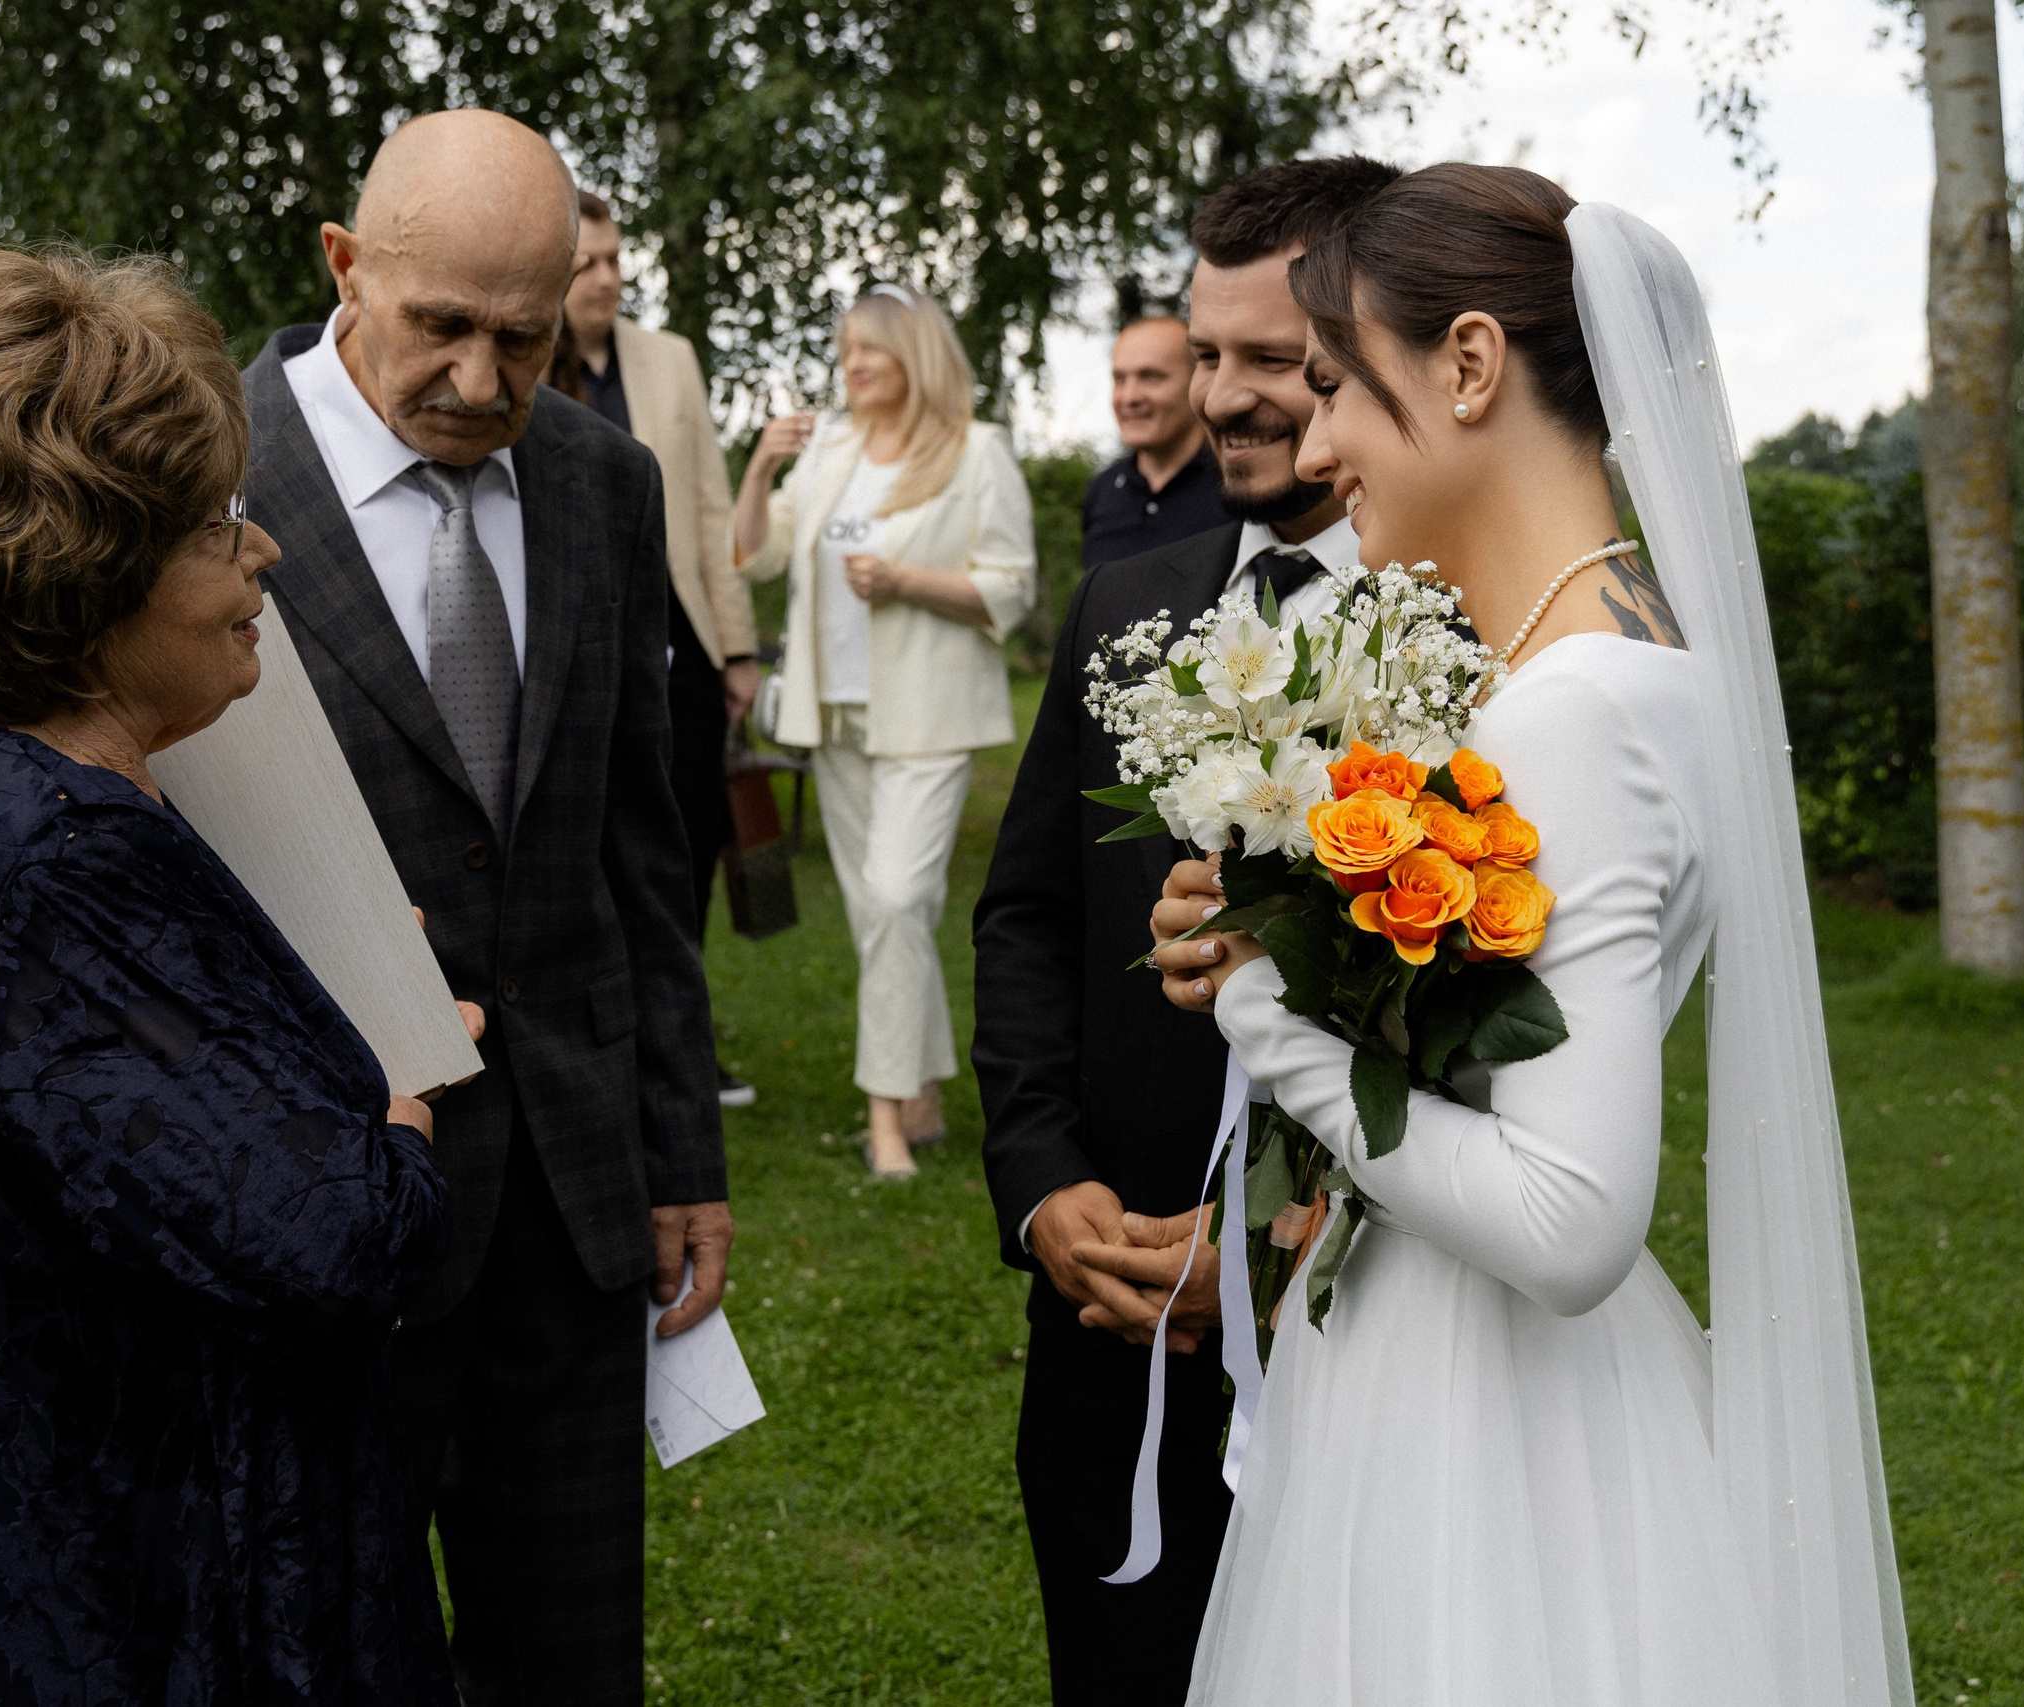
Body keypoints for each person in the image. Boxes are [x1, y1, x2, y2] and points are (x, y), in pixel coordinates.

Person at [1148, 166, 1911, 1705]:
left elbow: (1570, 1215)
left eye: (1336, 384)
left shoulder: (1581, 710)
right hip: (1450, 1359)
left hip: (1479, 1417)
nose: (1317, 446)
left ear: (1471, 364)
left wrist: (1265, 1008)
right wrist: (1301, 924)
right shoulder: (1613, 656)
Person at [0, 248, 471, 1703]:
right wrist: (397, 1094)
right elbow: (337, 1237)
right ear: (86, 569)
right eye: (216, 523)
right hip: (99, 1593)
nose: (260, 551)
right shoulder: (58, 854)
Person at [240, 110, 730, 1705]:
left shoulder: (603, 480)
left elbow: (640, 842)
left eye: (522, 337)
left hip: (571, 1205)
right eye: (440, 323)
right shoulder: (203, 468)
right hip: (312, 1191)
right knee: (325, 1648)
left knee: (567, 1655)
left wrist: (680, 1153)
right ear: (343, 265)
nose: (478, 377)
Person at [969, 154, 1398, 1707]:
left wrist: (1293, 1249)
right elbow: (1026, 914)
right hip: (1112, 1322)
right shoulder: (1125, 605)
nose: (1223, 396)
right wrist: (1044, 1184)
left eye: (1273, 358)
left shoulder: (1463, 635)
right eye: (1205, 352)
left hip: (1362, 1348)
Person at [735, 283, 1037, 1180]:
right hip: (835, 714)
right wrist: (758, 469)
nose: (853, 364)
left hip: (929, 715)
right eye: (846, 350)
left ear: (916, 353)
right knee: (880, 916)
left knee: (899, 901)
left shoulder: (977, 451)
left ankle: (886, 1123)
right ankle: (922, 1094)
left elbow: (1012, 587)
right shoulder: (831, 448)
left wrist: (906, 582)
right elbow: (758, 553)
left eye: (871, 348)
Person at [553, 190, 762, 1108]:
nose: (606, 278)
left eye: (613, 259)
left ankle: (682, 1042)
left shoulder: (669, 358)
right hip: (568, 639)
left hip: (681, 636)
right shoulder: (522, 358)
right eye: (584, 264)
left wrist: (737, 649)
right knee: (587, 844)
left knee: (686, 839)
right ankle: (598, 1040)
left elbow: (712, 508)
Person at [1079, 316, 1228, 567]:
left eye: (1150, 377)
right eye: (1120, 379)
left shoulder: (1235, 486)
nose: (1129, 397)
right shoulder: (1102, 493)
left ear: (1199, 382)